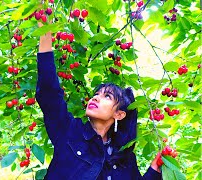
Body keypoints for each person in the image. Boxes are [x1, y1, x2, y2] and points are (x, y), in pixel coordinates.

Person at [35, 23, 162, 180]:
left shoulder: (125, 158)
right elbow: (49, 93)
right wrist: (45, 32)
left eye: (107, 96)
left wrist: (155, 169)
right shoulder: (69, 130)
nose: (95, 97)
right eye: (97, 94)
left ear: (119, 114)